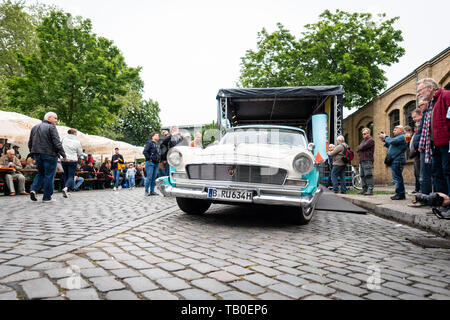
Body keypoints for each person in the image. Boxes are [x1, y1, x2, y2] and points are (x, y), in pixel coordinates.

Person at [417, 78, 450, 214]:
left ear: (430, 88)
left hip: (446, 143)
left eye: (420, 90)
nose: (419, 93)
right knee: (437, 174)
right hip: (434, 145)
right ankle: (442, 204)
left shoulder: (446, 96)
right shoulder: (431, 103)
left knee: (448, 172)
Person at [28, 112, 66, 203]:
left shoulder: (34, 127)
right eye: (55, 118)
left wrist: (32, 153)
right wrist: (63, 154)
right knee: (49, 175)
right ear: (49, 118)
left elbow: (30, 142)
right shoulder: (51, 127)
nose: (56, 120)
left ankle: (34, 189)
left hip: (37, 153)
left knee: (40, 173)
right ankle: (47, 197)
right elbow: (57, 142)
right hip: (49, 154)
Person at [379, 125, 407, 200]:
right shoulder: (398, 138)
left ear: (401, 130)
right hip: (395, 159)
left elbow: (392, 141)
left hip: (397, 159)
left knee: (397, 178)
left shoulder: (403, 136)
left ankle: (400, 194)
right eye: (393, 129)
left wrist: (386, 137)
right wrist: (384, 140)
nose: (393, 130)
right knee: (396, 177)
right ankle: (400, 193)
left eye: (395, 129)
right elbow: (391, 144)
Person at [61, 128, 83, 198]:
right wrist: (77, 155)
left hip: (64, 159)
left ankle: (67, 191)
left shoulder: (63, 139)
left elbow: (59, 147)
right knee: (71, 176)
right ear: (74, 133)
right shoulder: (77, 141)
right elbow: (80, 153)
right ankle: (66, 188)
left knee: (66, 175)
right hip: (72, 160)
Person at [356, 128, 375, 195]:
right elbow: (357, 149)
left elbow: (362, 147)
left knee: (368, 175)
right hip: (362, 160)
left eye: (365, 133)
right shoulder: (363, 141)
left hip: (367, 160)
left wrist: (360, 147)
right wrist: (360, 147)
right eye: (363, 134)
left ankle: (370, 189)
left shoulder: (371, 140)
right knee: (362, 175)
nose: (364, 135)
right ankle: (364, 189)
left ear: (369, 133)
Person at [410, 108, 423, 194]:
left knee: (422, 174)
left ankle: (423, 191)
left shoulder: (423, 125)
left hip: (421, 153)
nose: (413, 119)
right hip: (416, 155)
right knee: (417, 174)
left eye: (415, 117)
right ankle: (419, 189)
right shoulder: (415, 133)